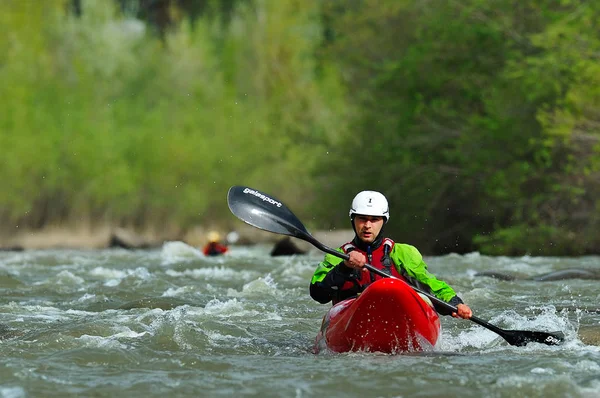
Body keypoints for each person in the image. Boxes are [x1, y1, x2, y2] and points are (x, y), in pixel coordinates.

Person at [309, 190, 472, 319]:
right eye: (362, 219)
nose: (367, 225)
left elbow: (429, 284)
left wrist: (455, 303)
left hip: (396, 314)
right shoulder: (337, 256)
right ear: (353, 220)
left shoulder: (402, 253)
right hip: (351, 318)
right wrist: (344, 267)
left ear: (383, 221)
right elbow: (318, 294)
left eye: (374, 219)